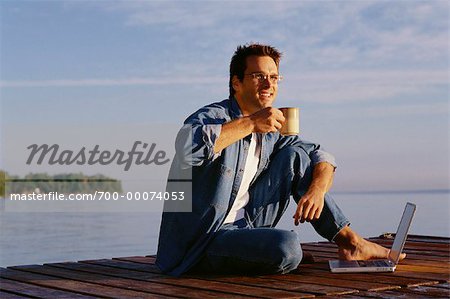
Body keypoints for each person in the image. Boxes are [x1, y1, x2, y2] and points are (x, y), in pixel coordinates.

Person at [156, 43, 402, 277]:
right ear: (236, 83)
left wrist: (317, 189)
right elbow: (187, 146)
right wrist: (251, 123)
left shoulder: (270, 130)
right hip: (201, 241)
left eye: (274, 77)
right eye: (258, 76)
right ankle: (265, 251)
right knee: (287, 247)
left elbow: (319, 155)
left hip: (246, 227)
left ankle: (350, 242)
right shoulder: (214, 116)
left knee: (295, 156)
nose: (268, 84)